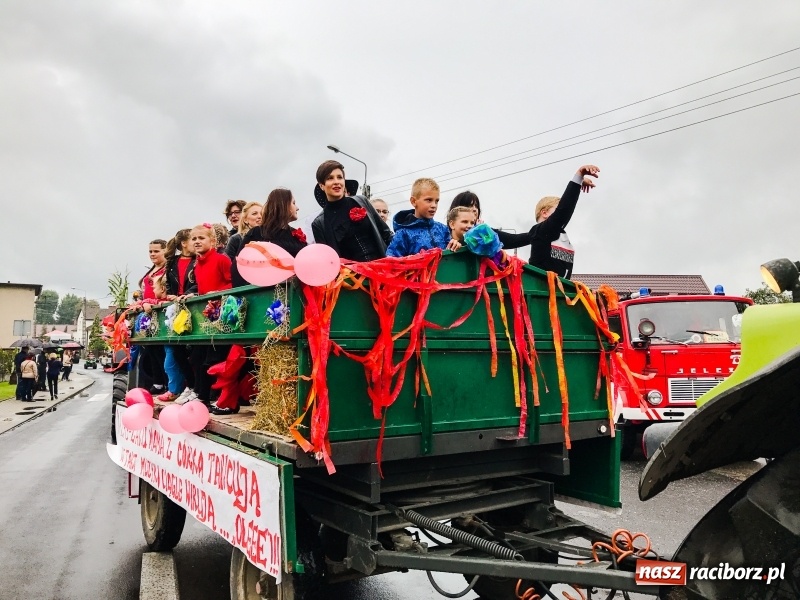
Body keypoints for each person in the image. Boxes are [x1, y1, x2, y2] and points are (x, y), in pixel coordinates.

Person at [186, 224, 232, 411]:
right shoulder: (197, 264)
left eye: (201, 238)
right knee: (197, 356)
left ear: (213, 241)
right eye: (194, 238)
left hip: (221, 317)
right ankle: (201, 395)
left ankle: (215, 396)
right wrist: (194, 294)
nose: (197, 241)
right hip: (205, 317)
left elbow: (233, 284)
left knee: (214, 358)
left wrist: (217, 293)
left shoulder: (222, 260)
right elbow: (202, 287)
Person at [311, 160, 393, 262]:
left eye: (340, 177)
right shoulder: (319, 223)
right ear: (321, 185)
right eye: (330, 178)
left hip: (383, 268)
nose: (336, 181)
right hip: (352, 276)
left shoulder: (361, 201)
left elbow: (385, 233)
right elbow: (328, 261)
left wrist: (398, 257)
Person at [528, 165, 599, 279]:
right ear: (544, 213)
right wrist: (578, 177)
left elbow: (564, 213)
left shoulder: (558, 234)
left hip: (561, 292)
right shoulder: (541, 231)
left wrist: (578, 184)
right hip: (544, 292)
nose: (560, 213)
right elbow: (563, 212)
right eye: (557, 210)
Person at [386, 178, 461, 257]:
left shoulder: (442, 229)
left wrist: (455, 245)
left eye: (436, 201)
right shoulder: (403, 234)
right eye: (429, 200)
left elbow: (449, 257)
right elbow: (392, 262)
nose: (434, 205)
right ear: (414, 201)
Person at [448, 191, 538, 250]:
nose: (474, 209)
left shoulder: (487, 233)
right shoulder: (442, 236)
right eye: (469, 206)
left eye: (476, 206)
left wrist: (538, 233)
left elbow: (513, 240)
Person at [241, 188, 307, 260]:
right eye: (293, 203)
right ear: (284, 205)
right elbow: (237, 266)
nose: (297, 208)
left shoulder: (296, 235)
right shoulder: (257, 232)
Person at [138, 239, 168, 395]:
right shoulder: (151, 270)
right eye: (150, 251)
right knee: (151, 348)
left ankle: (165, 381)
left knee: (162, 350)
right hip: (147, 312)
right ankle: (157, 381)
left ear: (165, 250)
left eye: (156, 251)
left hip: (161, 311)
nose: (152, 254)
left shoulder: (167, 269)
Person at [226, 201, 262, 287]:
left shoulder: (271, 236)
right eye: (254, 214)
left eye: (262, 213)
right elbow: (228, 266)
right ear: (245, 219)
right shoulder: (236, 239)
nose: (259, 216)